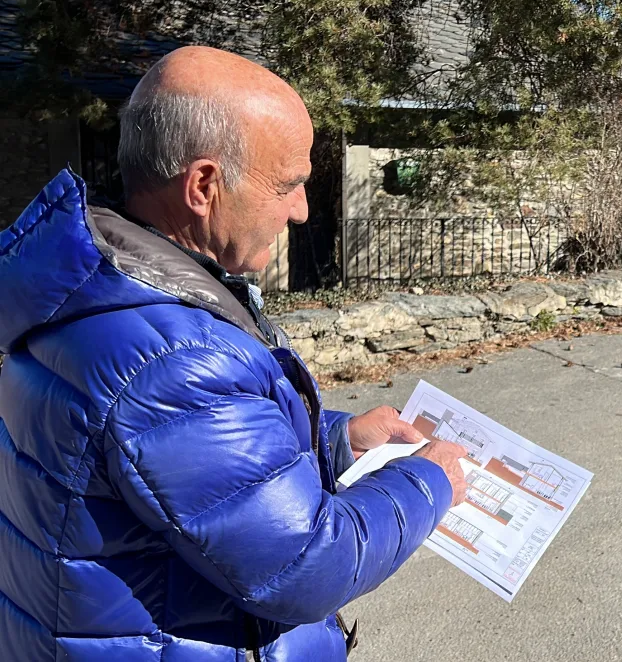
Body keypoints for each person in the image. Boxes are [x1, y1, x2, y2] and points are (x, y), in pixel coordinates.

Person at [0, 46, 468, 661]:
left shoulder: (105, 293)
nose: (301, 210)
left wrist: (334, 441)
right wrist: (426, 480)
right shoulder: (173, 356)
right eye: (289, 184)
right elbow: (303, 566)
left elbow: (174, 470)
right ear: (203, 185)